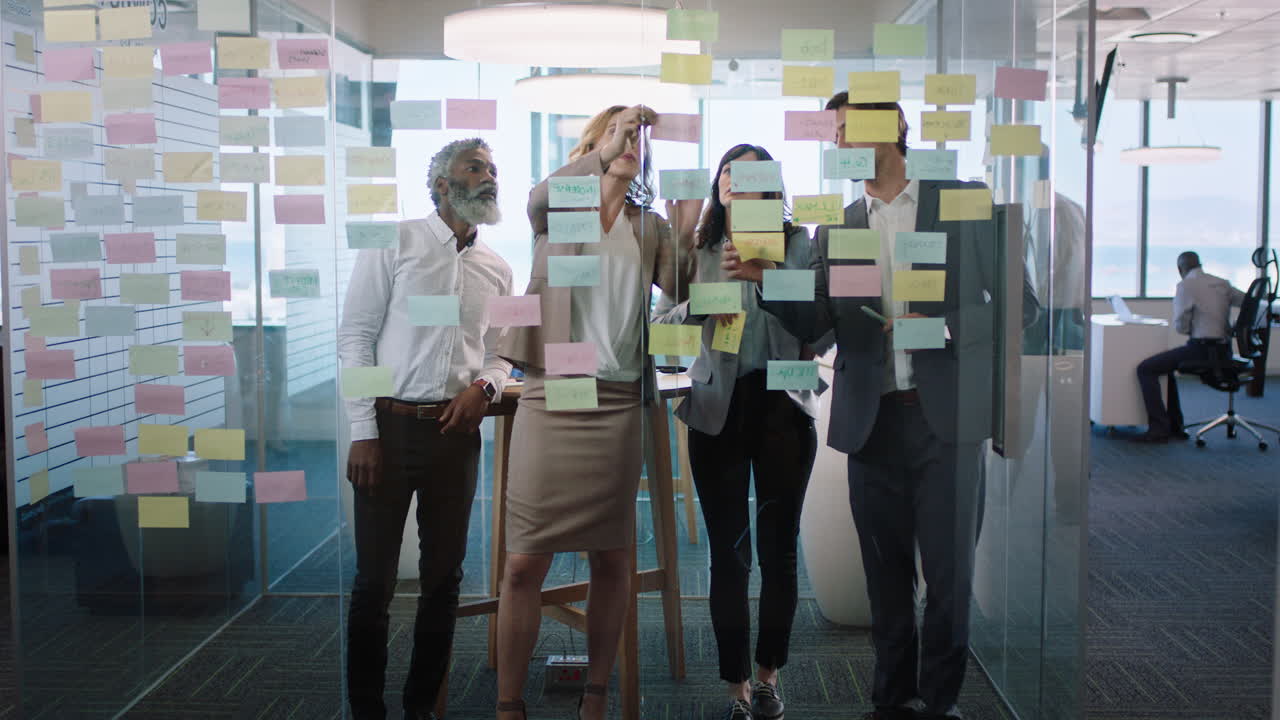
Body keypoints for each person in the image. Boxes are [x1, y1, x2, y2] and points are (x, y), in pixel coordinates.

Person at [726, 95, 1036, 720]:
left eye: (849, 129)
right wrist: (764, 280)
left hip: (945, 420)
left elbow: (1017, 305)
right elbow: (820, 323)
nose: (840, 142)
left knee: (949, 579)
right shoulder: (839, 228)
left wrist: (944, 327)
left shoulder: (963, 200)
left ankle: (941, 702)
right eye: (834, 133)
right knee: (886, 579)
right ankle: (891, 701)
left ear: (894, 127)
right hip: (871, 422)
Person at [493, 105, 697, 720]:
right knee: (525, 559)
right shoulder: (560, 208)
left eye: (638, 138)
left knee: (612, 556)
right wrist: (604, 150)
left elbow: (682, 292)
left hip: (615, 403)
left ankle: (597, 693)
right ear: (596, 144)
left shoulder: (649, 226)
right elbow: (533, 200)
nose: (633, 144)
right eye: (620, 135)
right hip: (553, 396)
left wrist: (686, 236)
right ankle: (508, 703)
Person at [337, 138, 514, 720]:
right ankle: (366, 710)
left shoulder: (498, 268)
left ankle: (420, 710)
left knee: (444, 581)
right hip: (386, 431)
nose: (489, 177)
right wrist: (363, 432)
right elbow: (355, 337)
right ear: (442, 183)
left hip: (455, 437)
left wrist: (483, 389)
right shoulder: (395, 240)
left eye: (492, 169)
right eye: (476, 167)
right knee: (374, 583)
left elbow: (501, 354)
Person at [653, 143, 826, 720]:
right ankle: (735, 688)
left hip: (783, 406)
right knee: (730, 556)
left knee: (779, 552)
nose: (736, 181)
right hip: (714, 410)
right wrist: (703, 303)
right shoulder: (694, 248)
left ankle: (769, 676)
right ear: (718, 185)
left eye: (750, 172)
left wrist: (768, 276)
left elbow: (823, 330)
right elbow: (658, 335)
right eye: (728, 171)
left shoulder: (799, 244)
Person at [1133, 251, 1245, 443]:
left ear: (1180, 269)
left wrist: (1192, 325)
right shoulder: (1222, 283)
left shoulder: (1186, 285)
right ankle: (1175, 426)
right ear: (1200, 264)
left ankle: (1159, 429)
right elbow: (1249, 302)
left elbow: (1181, 326)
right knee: (1165, 368)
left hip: (1201, 349)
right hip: (1224, 350)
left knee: (1146, 368)